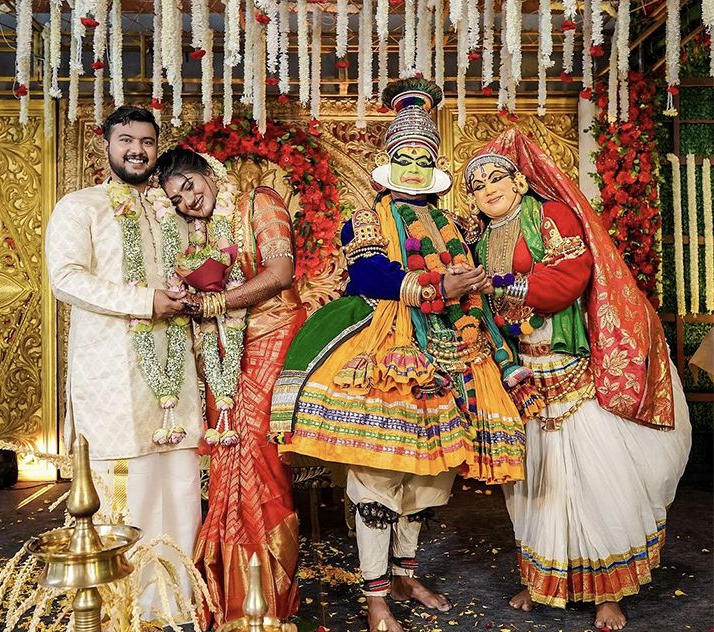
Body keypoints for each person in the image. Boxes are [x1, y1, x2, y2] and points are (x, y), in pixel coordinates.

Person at [270, 78, 534, 632]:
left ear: (435, 166)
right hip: (385, 345)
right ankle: (375, 597)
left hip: (453, 349)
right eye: (404, 158)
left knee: (430, 476)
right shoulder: (367, 218)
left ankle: (405, 575)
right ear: (388, 165)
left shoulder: (456, 225)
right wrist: (438, 286)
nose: (414, 169)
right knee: (378, 472)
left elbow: (484, 275)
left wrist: (481, 308)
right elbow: (369, 274)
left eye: (423, 159)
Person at [464, 128, 692, 631]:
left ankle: (609, 592)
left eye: (496, 178)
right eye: (477, 186)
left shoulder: (551, 215)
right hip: (524, 377)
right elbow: (481, 308)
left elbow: (570, 278)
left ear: (519, 181)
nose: (488, 189)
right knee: (536, 485)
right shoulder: (480, 241)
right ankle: (543, 581)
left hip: (571, 369)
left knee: (594, 479)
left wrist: (507, 285)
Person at [45, 106, 204, 622]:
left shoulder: (169, 211)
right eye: (126, 140)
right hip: (112, 375)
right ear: (107, 146)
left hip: (173, 374)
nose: (137, 150)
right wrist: (145, 301)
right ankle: (119, 612)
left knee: (179, 485)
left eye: (147, 142)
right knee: (128, 489)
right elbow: (65, 278)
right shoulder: (81, 207)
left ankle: (175, 607)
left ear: (157, 148)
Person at [157, 147, 305, 627]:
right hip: (224, 349)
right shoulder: (197, 233)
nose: (187, 201)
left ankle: (268, 593)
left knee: (258, 452)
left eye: (189, 186)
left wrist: (217, 304)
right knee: (227, 455)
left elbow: (280, 274)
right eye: (176, 199)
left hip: (274, 337)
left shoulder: (258, 202)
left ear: (208, 172)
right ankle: (228, 594)